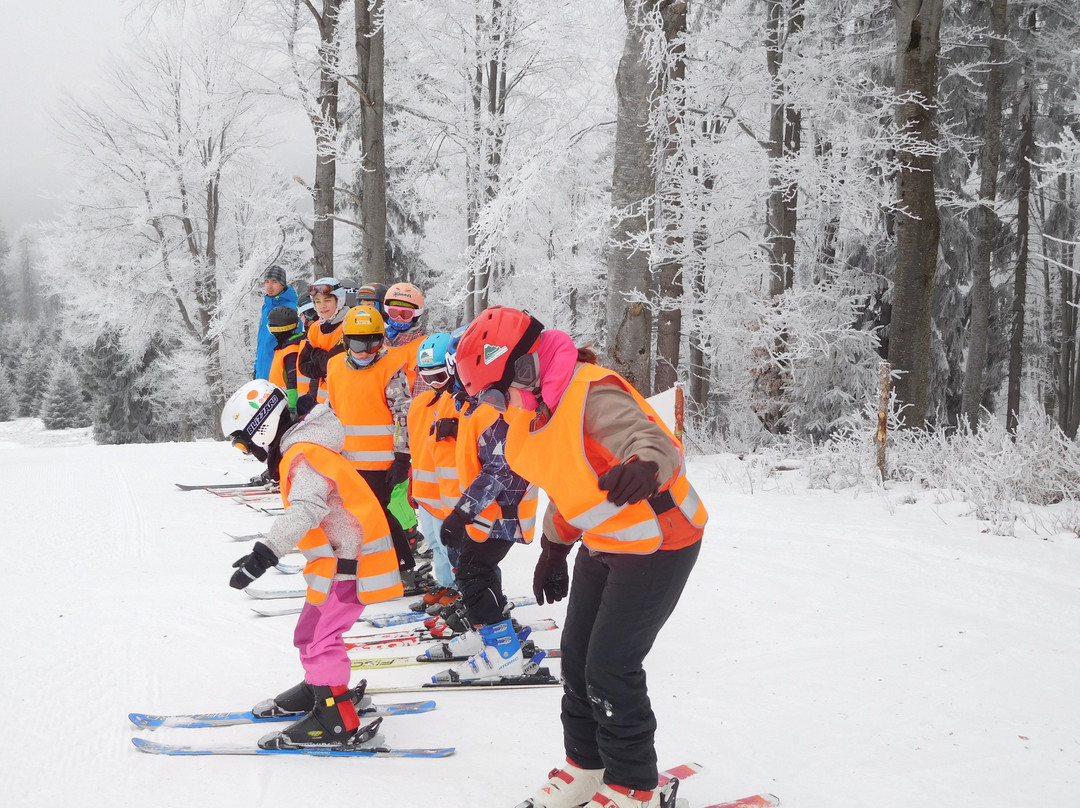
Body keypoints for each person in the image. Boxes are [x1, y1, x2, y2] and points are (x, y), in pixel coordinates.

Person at [455, 306, 707, 808]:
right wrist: (554, 547)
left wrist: (643, 466)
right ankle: (587, 766)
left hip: (660, 541)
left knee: (611, 664)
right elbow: (568, 482)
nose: (494, 403)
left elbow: (654, 442)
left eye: (495, 391)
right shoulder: (528, 415)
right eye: (485, 396)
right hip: (603, 541)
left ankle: (636, 784)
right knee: (576, 657)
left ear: (523, 368)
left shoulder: (590, 391)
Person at [221, 379, 403, 749]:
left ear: (261, 425)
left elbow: (307, 509)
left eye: (244, 442)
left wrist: (265, 554)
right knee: (311, 633)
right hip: (340, 560)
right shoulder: (307, 445)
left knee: (319, 639)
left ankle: (334, 720)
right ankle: (321, 689)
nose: (248, 451)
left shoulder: (302, 454)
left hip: (348, 563)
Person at [324, 305, 417, 581]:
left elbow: (404, 414)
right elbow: (330, 411)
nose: (364, 352)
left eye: (372, 344)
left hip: (382, 465)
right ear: (345, 342)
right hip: (346, 462)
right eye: (356, 344)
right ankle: (359, 563)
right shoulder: (334, 367)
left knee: (379, 515)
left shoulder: (390, 368)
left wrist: (402, 457)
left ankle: (403, 567)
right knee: (349, 516)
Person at [406, 332, 458, 593]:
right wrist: (412, 481)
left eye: (439, 376)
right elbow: (416, 448)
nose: (433, 383)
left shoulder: (461, 404)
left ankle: (462, 593)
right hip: (427, 495)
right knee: (436, 545)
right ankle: (445, 589)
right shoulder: (419, 404)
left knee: (453, 548)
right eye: (426, 377)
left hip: (451, 496)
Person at [297, 277, 348, 406]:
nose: (322, 306)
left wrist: (315, 354)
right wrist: (324, 363)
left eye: (327, 300)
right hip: (321, 402)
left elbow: (338, 366)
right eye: (317, 301)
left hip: (345, 400)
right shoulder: (315, 328)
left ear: (339, 300)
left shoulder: (350, 326)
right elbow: (303, 364)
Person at [255, 265, 298, 381]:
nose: (269, 286)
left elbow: (296, 343)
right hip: (262, 371)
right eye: (266, 282)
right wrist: (256, 367)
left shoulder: (292, 308)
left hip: (279, 372)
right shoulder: (265, 307)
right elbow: (262, 341)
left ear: (282, 284)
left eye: (274, 282)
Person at [267, 306, 306, 416]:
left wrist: (292, 407)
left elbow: (293, 381)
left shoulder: (291, 350)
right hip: (280, 404)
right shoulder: (285, 348)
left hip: (288, 406)